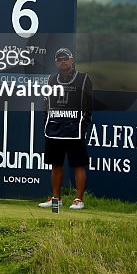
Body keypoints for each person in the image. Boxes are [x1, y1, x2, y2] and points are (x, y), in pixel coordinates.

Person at [37, 47, 93, 210]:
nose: (63, 61)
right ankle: (56, 199)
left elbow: (89, 105)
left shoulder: (83, 79)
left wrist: (84, 123)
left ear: (72, 60)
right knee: (56, 164)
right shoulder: (51, 79)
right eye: (59, 59)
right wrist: (47, 118)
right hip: (54, 127)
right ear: (56, 62)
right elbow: (47, 102)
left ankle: (78, 200)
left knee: (78, 164)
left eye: (65, 58)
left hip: (74, 128)